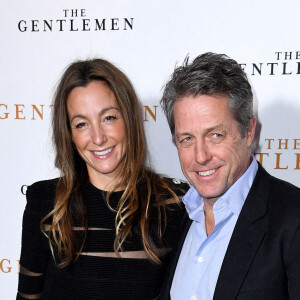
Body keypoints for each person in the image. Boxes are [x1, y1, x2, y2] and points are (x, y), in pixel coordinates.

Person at [17, 58, 188, 300]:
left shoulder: (174, 204)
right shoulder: (45, 203)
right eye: (81, 124)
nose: (97, 138)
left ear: (128, 118)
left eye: (108, 118)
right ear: (69, 134)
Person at [160, 52, 300, 299]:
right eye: (187, 139)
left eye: (216, 135)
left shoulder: (293, 217)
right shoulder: (174, 217)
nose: (200, 156)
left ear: (249, 132)